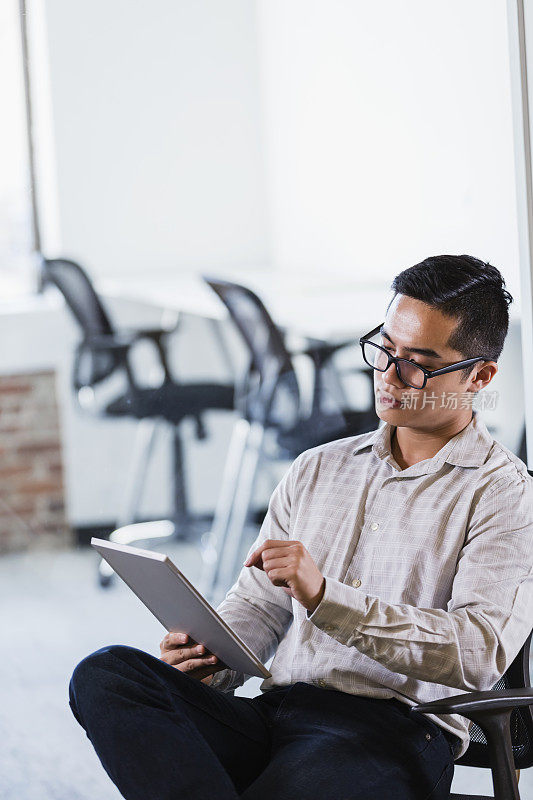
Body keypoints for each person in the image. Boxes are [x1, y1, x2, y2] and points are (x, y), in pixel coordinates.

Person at [69, 254, 533, 800]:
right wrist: (209, 660)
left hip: (391, 733)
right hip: (276, 713)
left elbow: (477, 655)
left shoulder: (503, 493)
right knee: (108, 674)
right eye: (384, 348)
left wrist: (326, 599)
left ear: (479, 375)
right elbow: (260, 606)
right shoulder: (317, 467)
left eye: (418, 363)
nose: (388, 374)